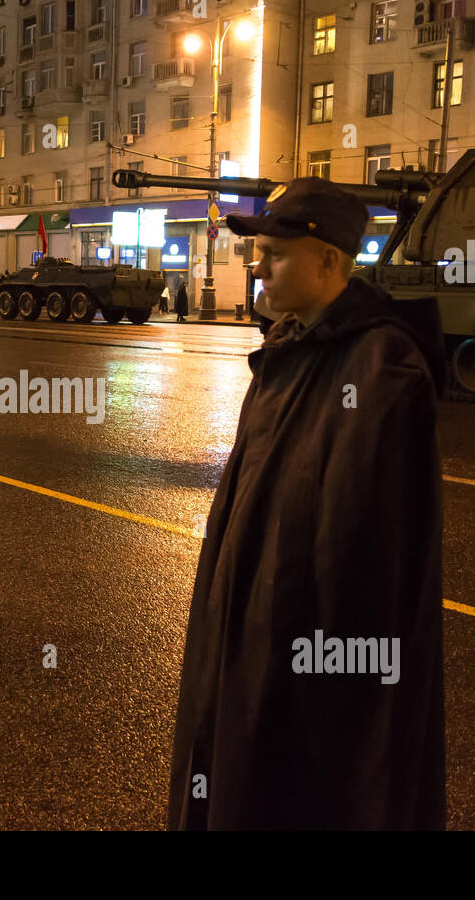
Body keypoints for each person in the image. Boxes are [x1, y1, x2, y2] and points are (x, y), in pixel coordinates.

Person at [167, 176, 448, 830]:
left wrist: (300, 663)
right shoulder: (288, 348)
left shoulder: (383, 368)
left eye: (276, 253)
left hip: (308, 673)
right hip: (250, 644)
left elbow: (367, 561)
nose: (258, 267)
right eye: (257, 252)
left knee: (294, 796)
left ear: (330, 261)